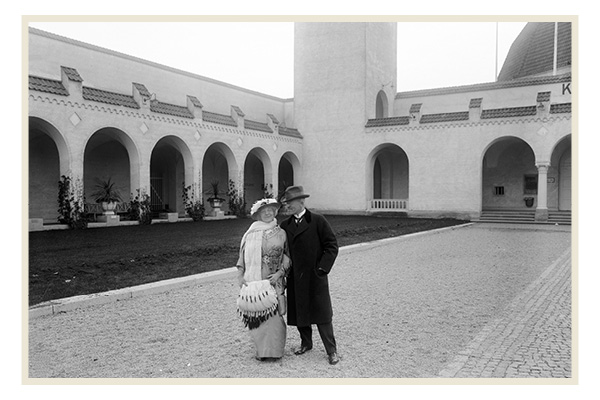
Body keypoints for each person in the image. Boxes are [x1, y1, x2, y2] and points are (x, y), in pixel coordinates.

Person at [279, 186, 340, 365]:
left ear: (302, 202)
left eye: (290, 203)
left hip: (315, 276)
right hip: (295, 277)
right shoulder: (285, 225)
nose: (287, 206)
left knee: (322, 314)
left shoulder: (318, 221)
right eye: (286, 203)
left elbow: (331, 245)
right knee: (300, 311)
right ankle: (306, 343)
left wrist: (322, 269)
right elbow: (282, 249)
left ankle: (331, 350)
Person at [236, 198, 291, 361]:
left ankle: (275, 352)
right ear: (258, 214)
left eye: (271, 210)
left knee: (275, 316)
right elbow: (242, 257)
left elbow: (287, 256)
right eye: (264, 211)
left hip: (274, 281)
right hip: (254, 282)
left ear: (275, 212)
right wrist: (240, 275)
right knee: (258, 316)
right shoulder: (250, 233)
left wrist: (279, 273)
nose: (268, 213)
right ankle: (261, 352)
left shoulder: (281, 233)